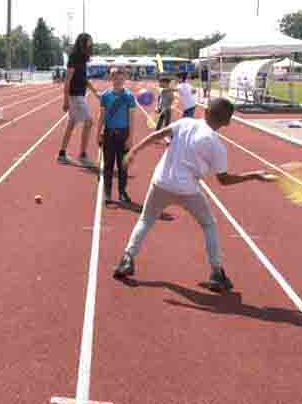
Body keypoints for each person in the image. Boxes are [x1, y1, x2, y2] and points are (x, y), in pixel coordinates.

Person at [112, 98, 275, 291]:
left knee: (146, 220)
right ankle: (216, 272)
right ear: (227, 122)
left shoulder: (185, 122)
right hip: (188, 190)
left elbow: (157, 135)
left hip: (161, 182)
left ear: (205, 112)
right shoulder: (217, 145)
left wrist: (133, 152)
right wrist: (253, 175)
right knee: (209, 225)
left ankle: (127, 259)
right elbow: (224, 180)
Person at [58, 33, 98, 167]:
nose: (91, 44)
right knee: (89, 122)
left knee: (71, 124)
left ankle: (62, 154)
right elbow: (68, 79)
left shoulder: (83, 58)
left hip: (79, 94)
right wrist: (65, 100)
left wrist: (95, 92)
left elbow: (84, 79)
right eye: (89, 41)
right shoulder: (74, 57)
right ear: (83, 42)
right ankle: (82, 155)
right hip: (75, 95)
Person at [98, 68, 136, 204]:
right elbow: (101, 116)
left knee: (123, 166)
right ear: (111, 79)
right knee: (108, 166)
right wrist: (98, 133)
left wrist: (130, 138)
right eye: (115, 78)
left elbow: (131, 118)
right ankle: (107, 193)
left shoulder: (129, 96)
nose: (118, 81)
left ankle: (122, 192)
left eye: (121, 79)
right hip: (109, 134)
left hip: (123, 134)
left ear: (124, 79)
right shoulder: (105, 96)